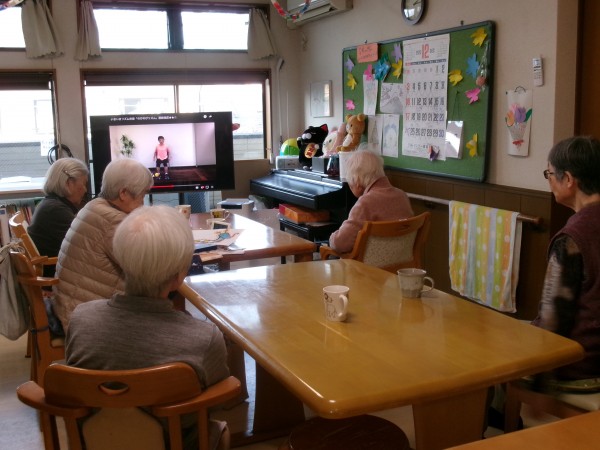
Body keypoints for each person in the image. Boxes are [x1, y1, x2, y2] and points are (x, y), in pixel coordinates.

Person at [66, 205, 230, 450]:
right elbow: (217, 401)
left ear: (120, 260)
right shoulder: (203, 338)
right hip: (176, 444)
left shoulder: (81, 318)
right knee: (218, 429)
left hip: (97, 442)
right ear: (179, 276)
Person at [53, 158, 154, 331]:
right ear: (123, 193)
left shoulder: (94, 206)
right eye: (142, 195)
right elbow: (148, 269)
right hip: (86, 318)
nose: (143, 203)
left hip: (70, 305)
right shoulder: (113, 221)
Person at [532, 135, 600, 381]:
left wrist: (539, 378)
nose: (549, 181)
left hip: (582, 364)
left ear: (569, 179)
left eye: (549, 174)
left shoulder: (572, 238)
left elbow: (553, 321)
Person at [328, 149, 413, 253]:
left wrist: (332, 237)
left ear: (357, 180)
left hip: (370, 263)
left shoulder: (365, 203)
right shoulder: (402, 196)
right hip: (401, 259)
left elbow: (340, 244)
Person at [27, 158, 89, 277]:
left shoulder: (50, 205)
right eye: (84, 184)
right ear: (69, 183)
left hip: (56, 271)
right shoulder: (56, 210)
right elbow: (84, 247)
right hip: (57, 277)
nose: (85, 190)